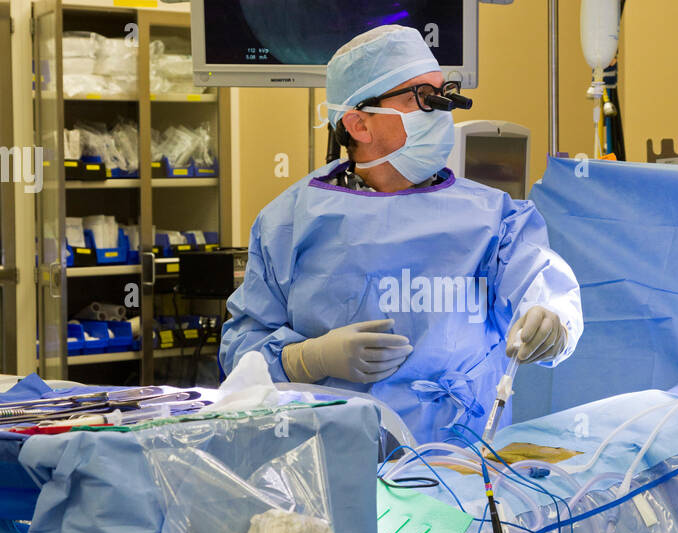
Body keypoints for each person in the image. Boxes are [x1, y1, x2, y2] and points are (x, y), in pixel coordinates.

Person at [220, 24, 583, 444]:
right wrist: (308, 358)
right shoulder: (289, 222)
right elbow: (241, 351)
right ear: (359, 124)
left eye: (442, 93)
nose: (443, 111)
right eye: (422, 99)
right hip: (329, 466)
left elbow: (541, 282)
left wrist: (552, 321)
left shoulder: (492, 216)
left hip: (461, 465)